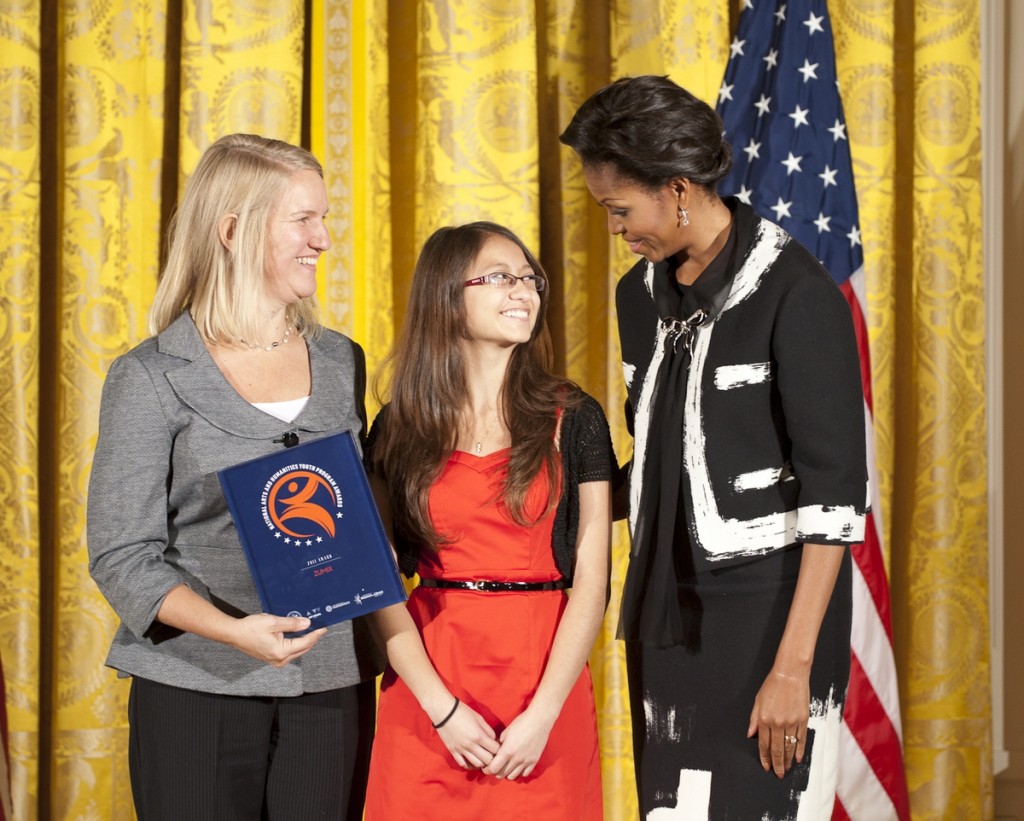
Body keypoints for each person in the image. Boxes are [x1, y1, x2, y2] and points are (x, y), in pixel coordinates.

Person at [559, 75, 867, 819]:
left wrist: (792, 669)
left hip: (772, 622)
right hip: (668, 617)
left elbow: (835, 502)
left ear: (680, 189)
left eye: (619, 209)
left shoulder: (798, 294)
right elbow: (663, 454)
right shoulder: (639, 296)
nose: (615, 228)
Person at [87, 133, 382, 821]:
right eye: (303, 219)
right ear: (232, 230)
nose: (324, 239)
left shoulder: (341, 360)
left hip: (327, 690)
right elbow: (121, 555)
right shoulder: (150, 376)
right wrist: (235, 630)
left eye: (325, 218)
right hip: (195, 690)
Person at [363, 222, 614, 819]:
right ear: (448, 295)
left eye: (530, 279)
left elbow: (593, 581)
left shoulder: (575, 417)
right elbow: (375, 584)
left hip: (542, 694)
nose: (523, 291)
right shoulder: (397, 428)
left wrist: (544, 714)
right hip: (429, 693)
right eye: (500, 277)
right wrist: (442, 710)